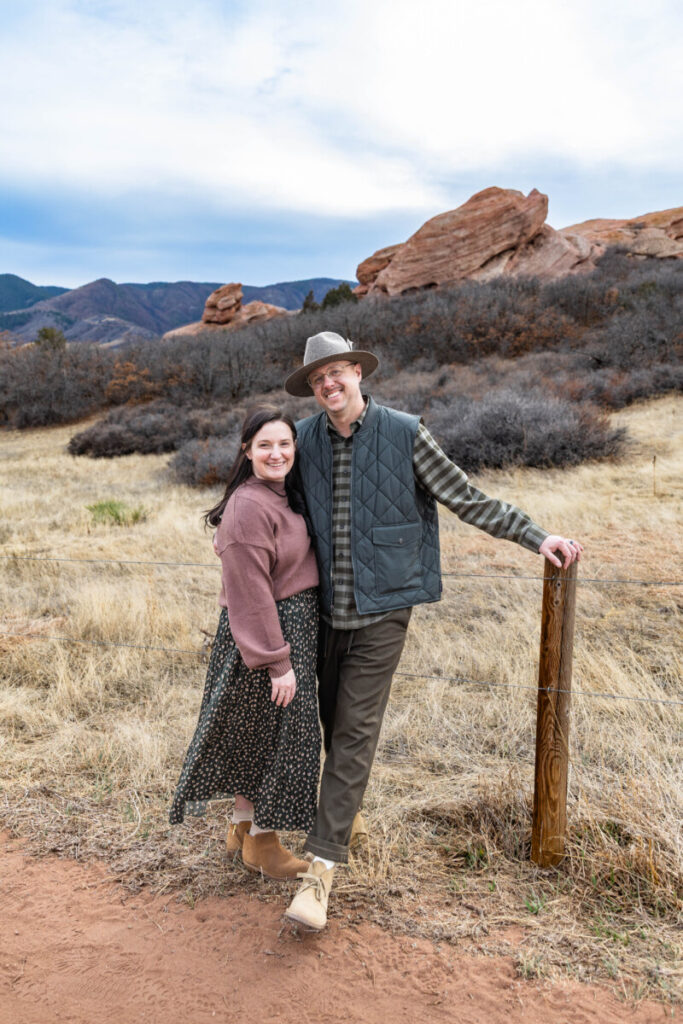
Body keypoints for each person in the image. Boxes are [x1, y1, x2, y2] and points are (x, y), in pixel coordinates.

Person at [282, 332, 584, 930]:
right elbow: (273, 501)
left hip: (384, 610)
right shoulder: (304, 438)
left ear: (358, 372)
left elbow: (465, 497)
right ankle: (346, 817)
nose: (328, 384)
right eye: (318, 379)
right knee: (332, 726)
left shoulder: (404, 432)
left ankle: (320, 873)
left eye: (337, 372)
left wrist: (536, 536)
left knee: (355, 733)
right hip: (321, 613)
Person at [169, 406, 321, 880]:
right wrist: (277, 661)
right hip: (265, 635)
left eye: (284, 444)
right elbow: (250, 591)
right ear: (247, 450)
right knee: (273, 740)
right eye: (265, 445)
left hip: (285, 631)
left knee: (256, 736)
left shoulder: (282, 494)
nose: (276, 453)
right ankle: (262, 843)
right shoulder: (248, 505)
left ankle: (243, 828)